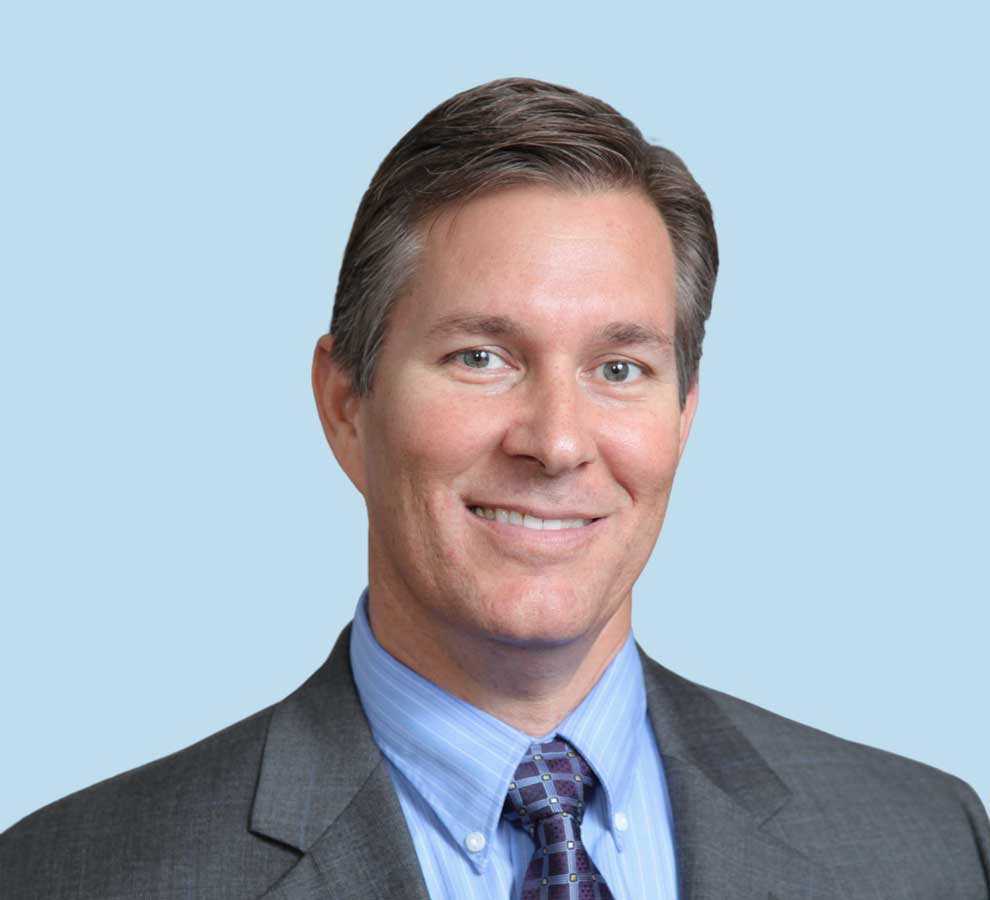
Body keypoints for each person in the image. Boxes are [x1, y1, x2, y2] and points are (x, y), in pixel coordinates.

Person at [1, 77, 986, 900]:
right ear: (347, 403)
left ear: (684, 416)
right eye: (481, 357)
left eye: (619, 370)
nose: (557, 443)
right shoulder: (80, 874)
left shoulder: (928, 849)